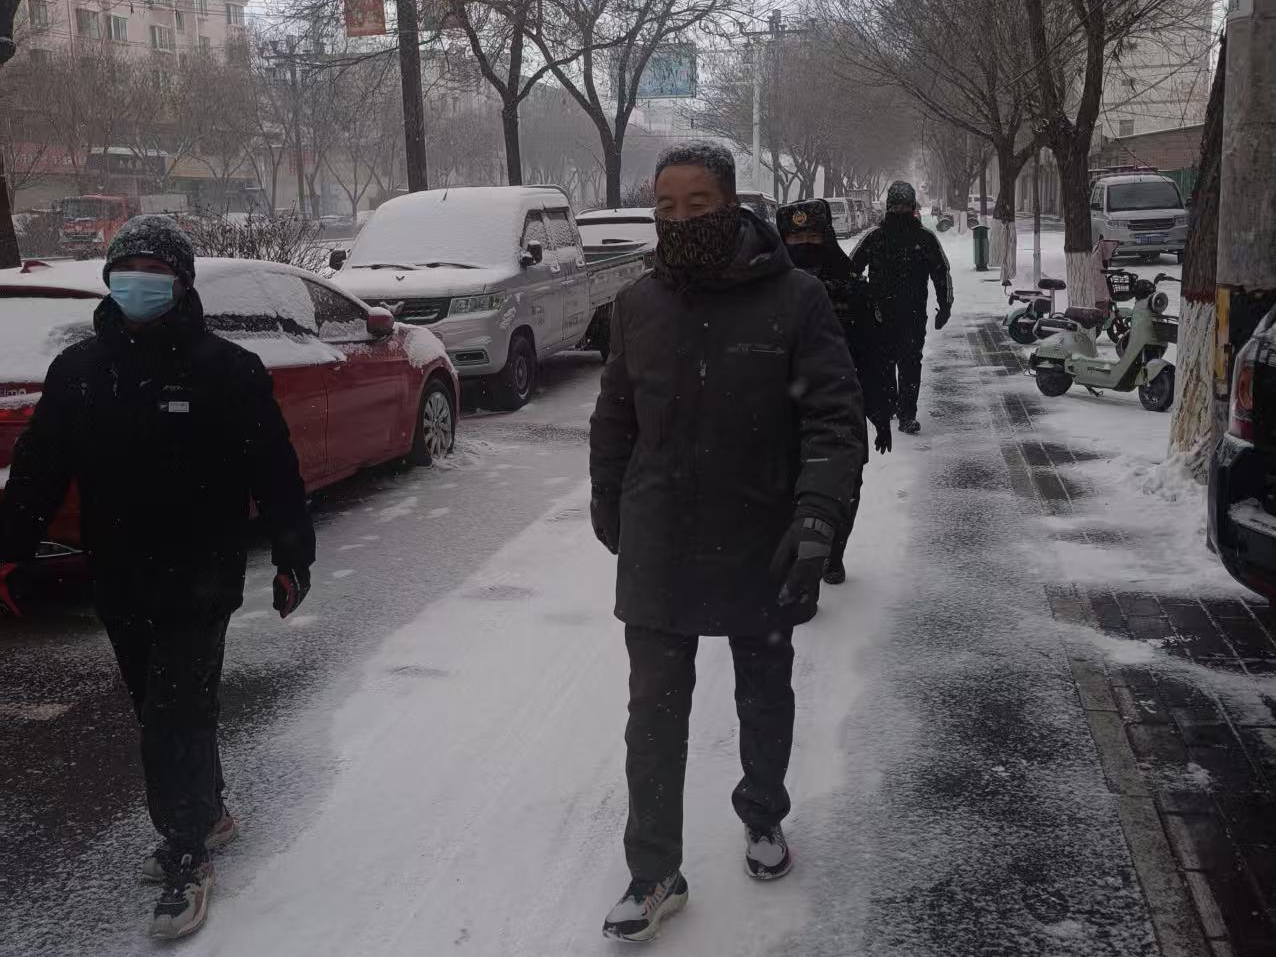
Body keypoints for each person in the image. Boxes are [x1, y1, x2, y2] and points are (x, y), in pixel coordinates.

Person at [0, 216, 315, 939]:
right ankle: (209, 811)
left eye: (154, 269)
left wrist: (293, 554)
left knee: (175, 712)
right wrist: (9, 548)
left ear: (181, 283)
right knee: (160, 707)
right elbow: (40, 468)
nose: (138, 280)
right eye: (127, 268)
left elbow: (274, 468)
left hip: (201, 575)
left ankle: (185, 851)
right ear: (109, 279)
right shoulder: (79, 370)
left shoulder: (227, 370)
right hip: (119, 573)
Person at [589, 143, 866, 943]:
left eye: (697, 205)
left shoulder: (796, 298)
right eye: (665, 207)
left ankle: (763, 812)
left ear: (733, 204)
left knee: (763, 688)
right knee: (652, 712)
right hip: (661, 536)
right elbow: (615, 416)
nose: (679, 220)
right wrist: (609, 500)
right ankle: (654, 870)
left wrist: (817, 518)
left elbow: (833, 418)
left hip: (762, 532)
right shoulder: (637, 304)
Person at [776, 199, 896, 585]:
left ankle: (832, 553)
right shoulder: (765, 291)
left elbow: (875, 355)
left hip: (843, 406)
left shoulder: (853, 288)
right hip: (780, 409)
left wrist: (881, 412)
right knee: (786, 486)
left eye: (813, 236)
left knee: (844, 483)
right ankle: (794, 553)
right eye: (795, 238)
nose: (804, 246)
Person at [849, 181, 953, 435]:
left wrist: (945, 306)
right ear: (888, 208)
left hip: (912, 315)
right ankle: (889, 405)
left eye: (905, 207)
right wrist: (859, 298)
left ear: (913, 208)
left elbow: (941, 273)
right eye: (896, 207)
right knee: (884, 363)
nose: (900, 212)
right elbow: (850, 270)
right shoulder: (875, 238)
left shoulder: (924, 239)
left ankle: (907, 413)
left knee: (909, 363)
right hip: (879, 314)